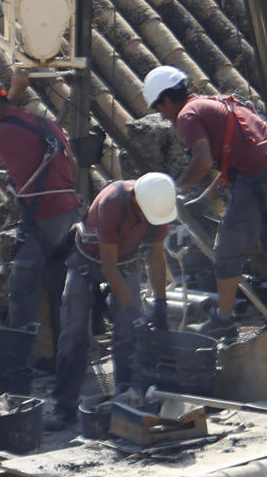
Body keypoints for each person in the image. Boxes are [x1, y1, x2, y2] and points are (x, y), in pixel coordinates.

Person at [142, 65, 267, 332]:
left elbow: (203, 161)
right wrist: (206, 198)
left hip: (259, 176)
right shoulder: (215, 103)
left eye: (159, 108)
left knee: (227, 252)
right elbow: (234, 161)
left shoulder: (187, 116)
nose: (162, 116)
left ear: (167, 100)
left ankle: (224, 320)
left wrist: (176, 188)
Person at [52, 172, 178, 427]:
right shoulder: (113, 202)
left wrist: (160, 303)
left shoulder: (158, 206)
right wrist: (134, 312)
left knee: (127, 334)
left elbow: (156, 256)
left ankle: (126, 398)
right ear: (137, 201)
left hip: (127, 262)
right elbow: (109, 268)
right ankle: (63, 407)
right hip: (86, 260)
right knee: (74, 332)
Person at [0, 71, 82, 341]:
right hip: (70, 213)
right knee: (60, 287)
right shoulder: (49, 125)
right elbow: (74, 167)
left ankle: (17, 353)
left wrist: (14, 91)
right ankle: (66, 353)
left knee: (22, 289)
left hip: (43, 217)